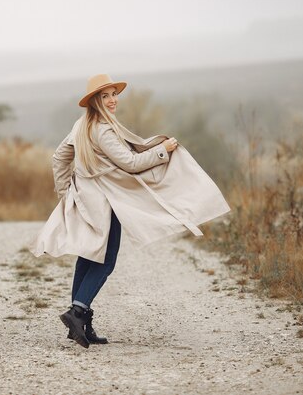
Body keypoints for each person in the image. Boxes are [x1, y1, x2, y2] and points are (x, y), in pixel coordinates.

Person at [30, 74, 230, 348]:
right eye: (105, 96)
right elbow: (132, 163)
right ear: (95, 102)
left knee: (89, 255)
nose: (112, 100)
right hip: (106, 201)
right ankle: (76, 313)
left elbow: (59, 157)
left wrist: (66, 193)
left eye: (114, 94)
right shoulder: (103, 129)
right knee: (106, 260)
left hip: (86, 199)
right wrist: (163, 150)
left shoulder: (81, 126)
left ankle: (81, 322)